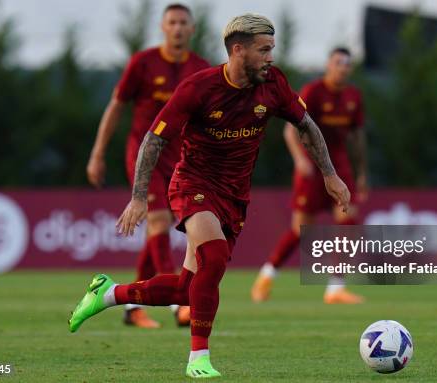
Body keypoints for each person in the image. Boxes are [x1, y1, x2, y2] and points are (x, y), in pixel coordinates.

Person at [69, 13, 350, 378]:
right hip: (192, 185)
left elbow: (306, 126)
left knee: (188, 289)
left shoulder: (274, 84)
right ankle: (197, 358)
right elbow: (153, 139)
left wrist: (331, 175)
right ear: (238, 51)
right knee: (213, 257)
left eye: (272, 50)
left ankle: (108, 294)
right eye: (264, 50)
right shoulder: (198, 88)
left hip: (234, 195)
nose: (270, 57)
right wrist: (139, 197)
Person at [86, 3, 209, 328]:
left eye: (184, 22)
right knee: (157, 221)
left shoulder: (200, 67)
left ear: (192, 29)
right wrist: (97, 153)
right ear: (163, 27)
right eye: (173, 22)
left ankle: (130, 307)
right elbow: (115, 107)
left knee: (164, 227)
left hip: (183, 159)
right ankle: (177, 305)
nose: (178, 28)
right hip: (145, 155)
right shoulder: (142, 63)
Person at [251, 47, 368, 304]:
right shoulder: (313, 92)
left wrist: (361, 172)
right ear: (328, 65)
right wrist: (300, 159)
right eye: (339, 63)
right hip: (312, 166)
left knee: (349, 222)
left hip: (339, 164)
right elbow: (290, 131)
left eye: (347, 65)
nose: (343, 68)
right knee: (301, 230)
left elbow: (357, 137)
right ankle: (266, 276)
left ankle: (335, 288)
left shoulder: (352, 96)